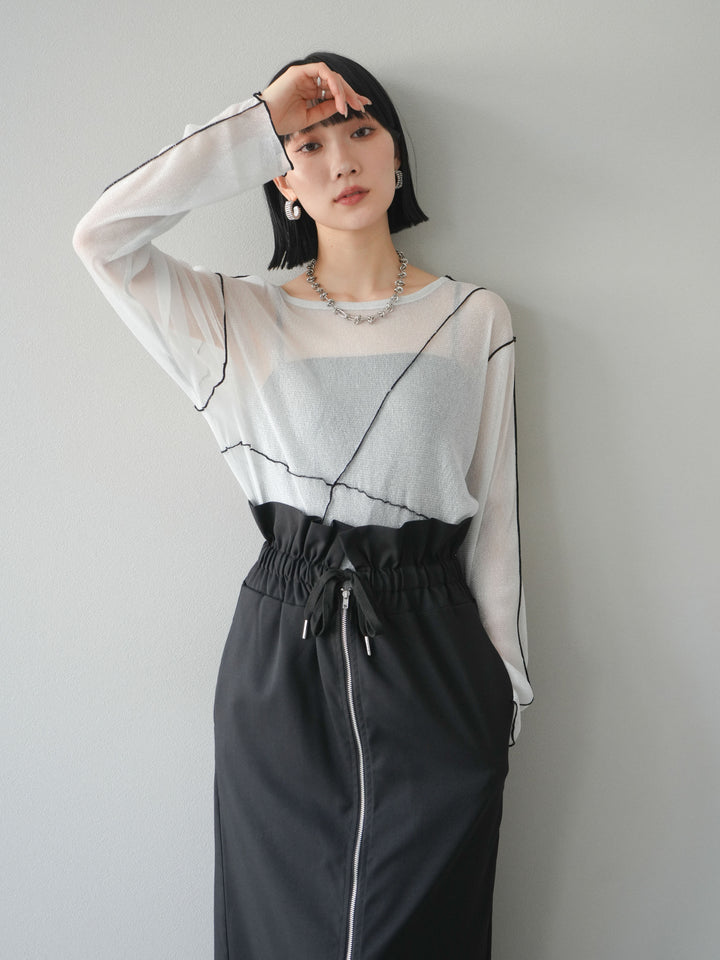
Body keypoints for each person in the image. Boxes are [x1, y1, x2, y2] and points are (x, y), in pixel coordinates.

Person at [73, 51, 533, 960]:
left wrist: (505, 693)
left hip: (435, 651)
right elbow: (102, 238)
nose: (341, 161)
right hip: (286, 653)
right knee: (286, 934)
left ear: (397, 155)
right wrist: (260, 117)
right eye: (307, 145)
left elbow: (496, 516)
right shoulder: (233, 319)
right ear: (279, 181)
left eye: (360, 131)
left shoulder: (475, 317)